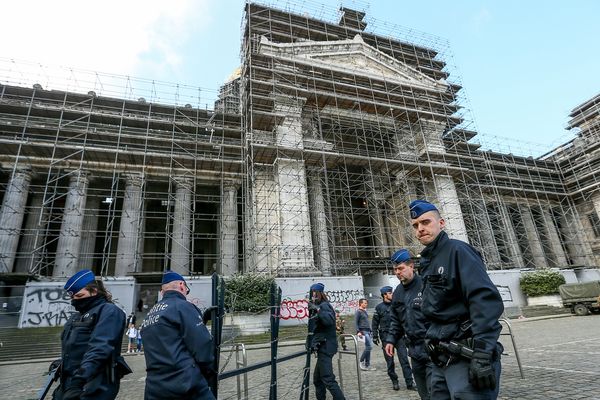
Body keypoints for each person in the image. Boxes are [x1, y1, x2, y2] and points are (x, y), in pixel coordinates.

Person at [408, 199, 504, 399]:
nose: (420, 229)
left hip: (465, 357)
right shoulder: (427, 262)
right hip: (440, 359)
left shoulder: (457, 251)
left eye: (426, 222)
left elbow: (484, 301)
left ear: (441, 223)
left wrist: (483, 354)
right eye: (416, 225)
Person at [51, 269, 130, 400]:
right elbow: (75, 347)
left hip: (94, 384)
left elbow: (100, 347)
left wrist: (79, 381)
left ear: (94, 291)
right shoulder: (75, 317)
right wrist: (62, 363)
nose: (75, 301)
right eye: (72, 297)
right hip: (68, 383)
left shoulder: (109, 311)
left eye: (80, 296)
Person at [141, 270, 215, 400]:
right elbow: (202, 345)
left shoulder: (149, 315)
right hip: (186, 385)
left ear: (162, 292)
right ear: (182, 285)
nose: (186, 294)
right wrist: (208, 374)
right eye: (187, 290)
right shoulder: (183, 306)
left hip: (155, 388)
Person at [386, 249, 433, 399]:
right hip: (414, 351)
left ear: (411, 266)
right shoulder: (398, 292)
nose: (397, 272)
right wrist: (391, 340)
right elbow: (396, 320)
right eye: (395, 270)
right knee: (424, 394)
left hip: (433, 350)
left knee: (437, 392)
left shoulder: (426, 285)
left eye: (400, 268)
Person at [307, 282, 346, 400]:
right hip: (322, 346)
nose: (313, 296)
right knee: (318, 380)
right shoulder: (319, 306)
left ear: (319, 293)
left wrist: (318, 310)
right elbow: (314, 328)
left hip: (326, 347)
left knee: (328, 379)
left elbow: (329, 321)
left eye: (314, 293)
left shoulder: (324, 306)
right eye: (311, 293)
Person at [372, 285, 416, 391]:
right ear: (384, 295)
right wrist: (374, 335)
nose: (392, 294)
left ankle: (409, 382)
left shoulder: (396, 305)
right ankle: (394, 381)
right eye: (390, 293)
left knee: (404, 360)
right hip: (386, 338)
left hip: (399, 337)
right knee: (390, 362)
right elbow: (375, 323)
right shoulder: (379, 308)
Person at [355, 298, 376, 371]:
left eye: (366, 303)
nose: (366, 304)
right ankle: (361, 361)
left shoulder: (364, 311)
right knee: (369, 347)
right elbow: (356, 323)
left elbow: (366, 322)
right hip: (363, 331)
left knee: (368, 348)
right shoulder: (358, 312)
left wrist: (371, 331)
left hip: (368, 331)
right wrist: (358, 332)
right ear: (360, 303)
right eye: (365, 303)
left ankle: (367, 365)